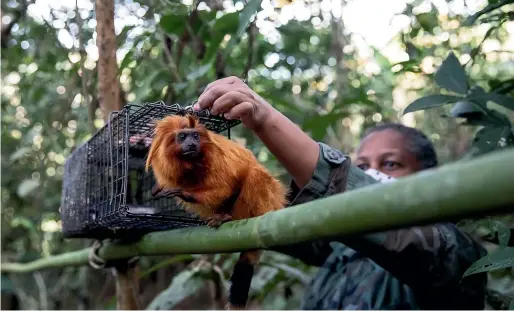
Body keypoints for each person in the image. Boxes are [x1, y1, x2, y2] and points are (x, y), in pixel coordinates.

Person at [195, 77, 488, 310]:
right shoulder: (340, 248)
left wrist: (265, 118)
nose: (373, 173)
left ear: (426, 177)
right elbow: (261, 212)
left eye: (390, 164)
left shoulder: (455, 254)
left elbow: (414, 242)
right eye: (362, 166)